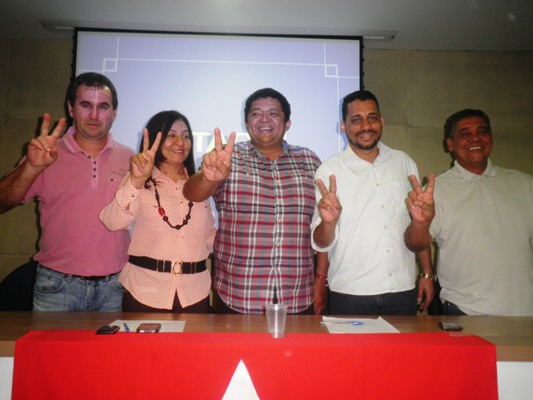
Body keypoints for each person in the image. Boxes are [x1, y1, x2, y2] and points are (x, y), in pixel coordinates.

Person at [0, 72, 133, 311]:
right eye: (85, 105)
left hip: (114, 288)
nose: (94, 115)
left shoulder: (131, 158)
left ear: (114, 113)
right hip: (57, 288)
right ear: (71, 109)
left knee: (108, 351)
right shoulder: (46, 153)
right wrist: (31, 167)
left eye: (103, 106)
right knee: (52, 351)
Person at [183, 88, 321, 314]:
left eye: (273, 114)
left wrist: (320, 279)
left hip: (297, 295)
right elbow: (192, 194)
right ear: (247, 124)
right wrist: (208, 179)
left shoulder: (309, 160)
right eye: (256, 114)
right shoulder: (228, 158)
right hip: (237, 295)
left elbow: (322, 224)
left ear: (287, 123)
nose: (264, 119)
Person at [311, 89, 434, 315]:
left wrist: (426, 272)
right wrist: (328, 223)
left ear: (382, 121)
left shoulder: (404, 163)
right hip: (350, 293)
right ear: (342, 126)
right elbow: (321, 243)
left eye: (372, 118)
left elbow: (417, 224)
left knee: (401, 352)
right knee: (352, 353)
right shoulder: (328, 171)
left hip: (402, 289)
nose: (366, 126)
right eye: (356, 120)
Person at [405, 109, 533, 316]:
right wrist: (420, 223)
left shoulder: (524, 183)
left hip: (525, 312)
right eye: (465, 134)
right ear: (450, 144)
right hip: (464, 311)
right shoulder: (439, 189)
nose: (475, 138)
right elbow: (416, 244)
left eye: (482, 132)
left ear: (490, 138)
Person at [100, 111, 216, 312]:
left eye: (186, 136)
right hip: (145, 290)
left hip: (195, 294)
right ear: (156, 138)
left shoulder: (200, 184)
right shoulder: (138, 178)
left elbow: (208, 236)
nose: (180, 142)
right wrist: (136, 181)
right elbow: (112, 222)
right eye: (171, 135)